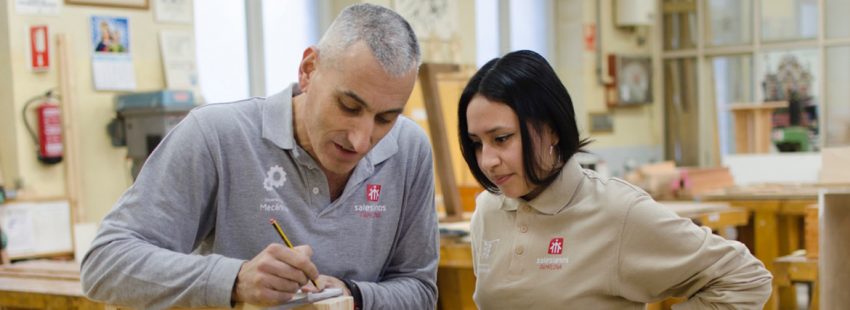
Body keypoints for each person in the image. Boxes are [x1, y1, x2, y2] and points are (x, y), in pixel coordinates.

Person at [81, 4, 438, 309]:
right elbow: (106, 264)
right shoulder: (216, 135)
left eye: (385, 118)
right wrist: (234, 280)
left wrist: (354, 296)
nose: (361, 140)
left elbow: (420, 290)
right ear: (309, 69)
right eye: (348, 106)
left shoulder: (409, 150)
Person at [457, 50, 773, 309]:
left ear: (551, 128)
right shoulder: (488, 212)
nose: (487, 160)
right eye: (476, 143)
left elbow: (744, 277)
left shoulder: (618, 213)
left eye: (501, 138)